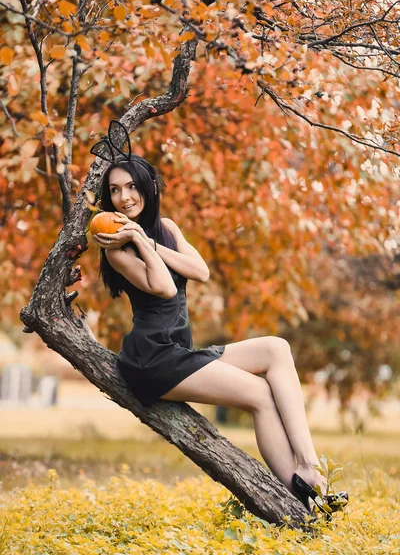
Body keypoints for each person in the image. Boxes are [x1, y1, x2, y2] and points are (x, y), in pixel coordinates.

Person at [92, 155, 348, 515]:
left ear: (148, 186)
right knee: (260, 394)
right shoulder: (117, 250)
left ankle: (309, 467)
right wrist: (136, 238)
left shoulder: (166, 228)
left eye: (132, 186)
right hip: (153, 359)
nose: (124, 197)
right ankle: (300, 489)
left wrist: (148, 239)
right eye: (115, 190)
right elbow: (164, 288)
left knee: (276, 348)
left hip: (178, 350)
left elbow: (201, 271)